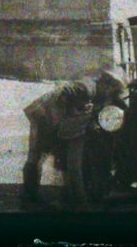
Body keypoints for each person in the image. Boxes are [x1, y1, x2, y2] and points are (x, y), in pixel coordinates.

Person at [20, 77, 94, 205]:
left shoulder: (81, 88)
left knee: (39, 155)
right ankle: (29, 196)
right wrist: (74, 112)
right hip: (41, 115)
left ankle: (31, 195)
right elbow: (61, 103)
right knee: (36, 155)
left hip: (45, 112)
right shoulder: (78, 91)